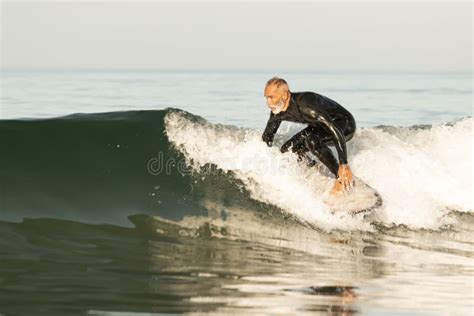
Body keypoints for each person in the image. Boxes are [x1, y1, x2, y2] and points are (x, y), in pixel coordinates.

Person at [261, 76, 356, 194]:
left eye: (271, 97)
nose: (268, 103)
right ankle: (315, 170)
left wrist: (344, 164)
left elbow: (334, 130)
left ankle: (341, 178)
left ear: (285, 95)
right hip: (319, 127)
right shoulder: (277, 111)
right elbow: (267, 138)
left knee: (312, 141)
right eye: (266, 98)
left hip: (344, 124)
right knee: (288, 150)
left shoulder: (307, 106)